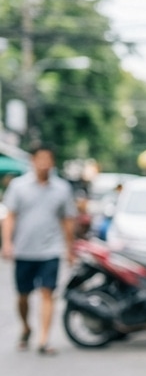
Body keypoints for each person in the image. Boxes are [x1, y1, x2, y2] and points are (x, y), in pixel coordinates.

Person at [1, 144, 76, 355]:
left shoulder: (62, 188)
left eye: (48, 159)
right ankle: (26, 327)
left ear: (52, 162)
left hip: (51, 249)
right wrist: (7, 243)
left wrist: (70, 249)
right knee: (23, 296)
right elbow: (10, 216)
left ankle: (43, 340)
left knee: (47, 292)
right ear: (33, 161)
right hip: (24, 249)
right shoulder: (18, 186)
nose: (44, 163)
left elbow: (68, 220)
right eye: (40, 159)